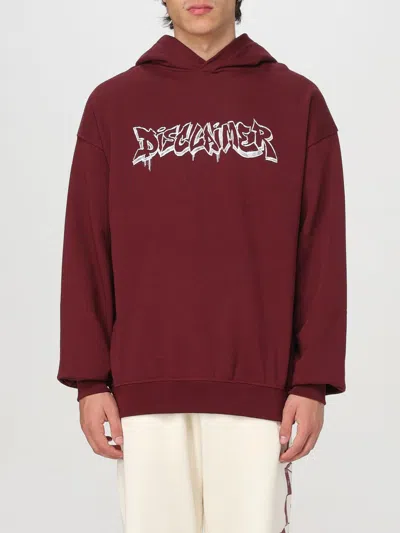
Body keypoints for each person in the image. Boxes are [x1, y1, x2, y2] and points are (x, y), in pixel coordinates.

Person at [57, 1, 347, 531]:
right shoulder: (113, 105)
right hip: (143, 388)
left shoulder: (297, 102)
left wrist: (312, 382)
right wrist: (90, 381)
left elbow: (322, 250)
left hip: (259, 389)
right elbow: (86, 248)